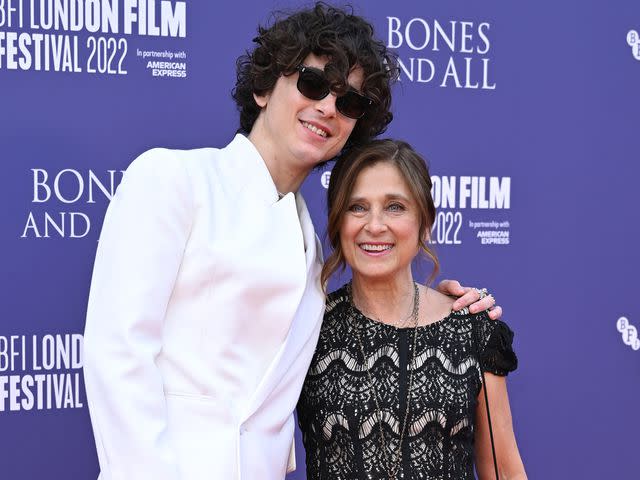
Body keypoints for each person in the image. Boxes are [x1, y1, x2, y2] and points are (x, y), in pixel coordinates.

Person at [83, 4, 500, 480]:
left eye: (349, 103)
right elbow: (118, 354)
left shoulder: (308, 243)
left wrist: (443, 307)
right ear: (263, 88)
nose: (328, 107)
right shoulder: (174, 179)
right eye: (313, 83)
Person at [297, 139, 526, 480]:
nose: (374, 225)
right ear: (336, 221)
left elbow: (504, 471)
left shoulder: (473, 328)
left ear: (424, 221)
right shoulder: (306, 327)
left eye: (394, 207)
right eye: (357, 207)